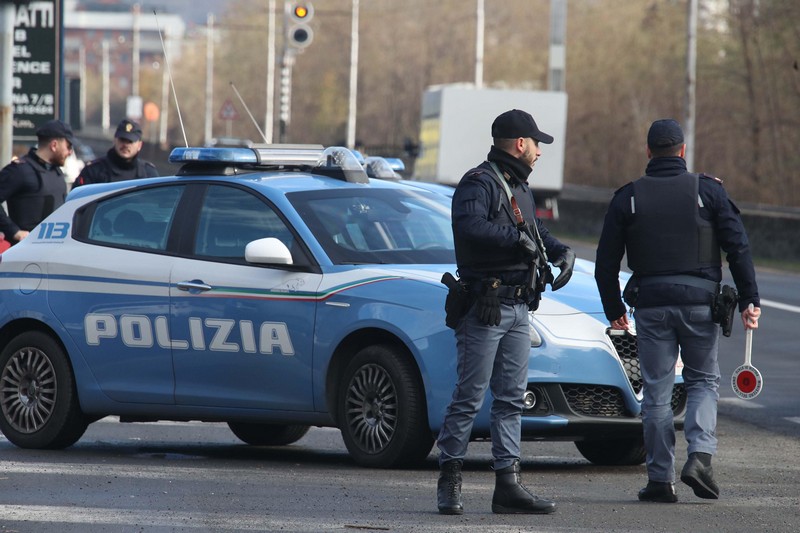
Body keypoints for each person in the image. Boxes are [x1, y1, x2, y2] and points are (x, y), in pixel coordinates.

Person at [594, 118, 761, 503]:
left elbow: (606, 260)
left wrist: (613, 307)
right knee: (703, 381)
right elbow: (738, 247)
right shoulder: (708, 191)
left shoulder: (628, 196)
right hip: (701, 305)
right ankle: (699, 457)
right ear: (683, 151)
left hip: (651, 308)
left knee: (656, 391)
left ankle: (659, 480)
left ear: (648, 152)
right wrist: (750, 299)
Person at [437, 109, 575, 515]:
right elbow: (469, 226)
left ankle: (508, 486)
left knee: (512, 399)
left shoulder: (519, 186)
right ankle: (449, 480)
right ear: (520, 144)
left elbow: (535, 231)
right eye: (536, 144)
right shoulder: (477, 182)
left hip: (517, 308)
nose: (539, 152)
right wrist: (514, 241)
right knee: (469, 396)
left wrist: (560, 250)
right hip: (486, 307)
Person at [0, 119, 74, 244]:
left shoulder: (57, 172)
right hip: (26, 252)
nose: (70, 152)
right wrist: (14, 231)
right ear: (54, 145)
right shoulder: (20, 170)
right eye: (68, 146)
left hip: (52, 249)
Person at [72, 118, 158, 188]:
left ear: (139, 145)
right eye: (122, 140)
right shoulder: (94, 171)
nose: (125, 145)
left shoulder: (148, 173)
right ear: (115, 140)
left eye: (130, 141)